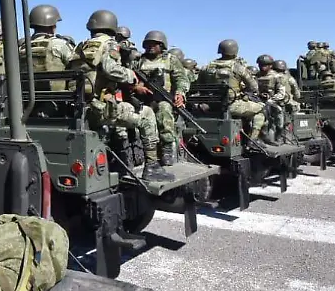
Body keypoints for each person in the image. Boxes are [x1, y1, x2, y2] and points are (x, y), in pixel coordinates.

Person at [69, 11, 172, 180]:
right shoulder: (109, 44)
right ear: (111, 26)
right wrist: (131, 75)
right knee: (147, 115)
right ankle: (152, 166)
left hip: (81, 106)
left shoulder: (82, 45)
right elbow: (110, 69)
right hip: (100, 108)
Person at [134, 30, 186, 164]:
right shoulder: (139, 61)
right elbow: (130, 77)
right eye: (148, 44)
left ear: (162, 45)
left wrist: (180, 93)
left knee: (164, 110)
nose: (151, 46)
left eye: (155, 44)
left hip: (163, 98)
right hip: (143, 98)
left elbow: (181, 78)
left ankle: (167, 149)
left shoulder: (170, 60)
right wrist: (136, 87)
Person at [197, 39, 265, 140]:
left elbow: (199, 85)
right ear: (235, 51)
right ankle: (253, 140)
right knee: (262, 109)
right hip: (232, 105)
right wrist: (243, 91)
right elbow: (254, 87)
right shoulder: (238, 68)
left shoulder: (206, 67)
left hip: (210, 105)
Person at [23, 4, 76, 93]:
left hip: (28, 100)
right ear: (53, 26)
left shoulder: (23, 47)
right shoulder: (59, 44)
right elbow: (75, 67)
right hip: (57, 100)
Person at [254, 55, 291, 144]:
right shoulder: (257, 76)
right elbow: (253, 89)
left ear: (270, 65)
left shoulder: (277, 76)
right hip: (259, 101)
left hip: (274, 102)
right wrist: (258, 95)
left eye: (265, 65)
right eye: (260, 65)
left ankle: (279, 137)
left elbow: (281, 93)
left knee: (279, 120)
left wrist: (271, 100)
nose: (262, 67)